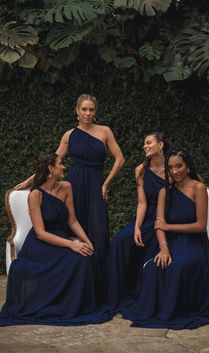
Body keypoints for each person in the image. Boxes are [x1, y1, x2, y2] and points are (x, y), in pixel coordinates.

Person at [121, 149, 209, 329]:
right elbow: (159, 225)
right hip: (171, 242)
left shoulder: (198, 188)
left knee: (178, 266)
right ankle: (159, 309)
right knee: (154, 266)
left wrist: (169, 227)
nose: (175, 171)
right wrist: (164, 248)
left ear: (187, 166)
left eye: (179, 166)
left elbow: (200, 225)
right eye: (171, 167)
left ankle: (176, 309)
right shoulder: (164, 192)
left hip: (195, 243)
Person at [14, 94, 125, 266]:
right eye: (84, 109)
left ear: (95, 111)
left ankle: (99, 280)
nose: (88, 113)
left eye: (91, 109)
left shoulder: (105, 131)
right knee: (74, 223)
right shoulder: (69, 135)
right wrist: (30, 181)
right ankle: (74, 270)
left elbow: (120, 159)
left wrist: (106, 183)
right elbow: (51, 162)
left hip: (96, 184)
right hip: (75, 183)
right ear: (77, 111)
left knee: (98, 230)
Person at [0, 153, 107, 326]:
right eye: (60, 163)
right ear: (51, 168)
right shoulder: (35, 195)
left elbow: (72, 221)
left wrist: (87, 241)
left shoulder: (66, 187)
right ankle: (63, 307)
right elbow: (41, 232)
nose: (64, 167)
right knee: (76, 259)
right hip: (41, 243)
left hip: (60, 237)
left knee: (88, 255)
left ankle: (80, 306)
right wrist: (72, 244)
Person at [101, 132, 171, 316]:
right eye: (144, 143)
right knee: (120, 239)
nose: (145, 146)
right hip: (147, 217)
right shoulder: (140, 169)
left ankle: (144, 291)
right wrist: (137, 227)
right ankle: (115, 295)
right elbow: (142, 203)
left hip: (168, 218)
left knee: (154, 242)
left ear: (161, 145)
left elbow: (194, 183)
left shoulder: (173, 166)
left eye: (149, 143)